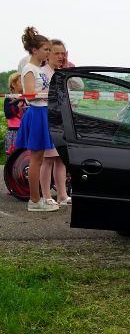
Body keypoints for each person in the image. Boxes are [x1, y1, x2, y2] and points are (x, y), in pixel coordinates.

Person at [16, 27, 58, 212]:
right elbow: (30, 95)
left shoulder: (39, 69)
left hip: (44, 112)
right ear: (35, 50)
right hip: (37, 113)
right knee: (36, 159)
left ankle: (37, 198)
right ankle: (34, 200)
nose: (48, 52)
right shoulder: (29, 68)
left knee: (39, 158)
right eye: (46, 49)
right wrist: (50, 93)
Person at [39, 39, 81, 206]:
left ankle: (62, 195)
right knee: (47, 159)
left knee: (60, 159)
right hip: (48, 118)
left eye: (63, 53)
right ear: (48, 54)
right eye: (57, 53)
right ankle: (47, 195)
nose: (60, 56)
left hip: (62, 119)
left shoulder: (63, 71)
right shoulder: (42, 72)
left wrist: (69, 68)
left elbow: (79, 85)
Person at [4, 73, 25, 155]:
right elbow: (8, 115)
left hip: (25, 130)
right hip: (14, 131)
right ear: (13, 84)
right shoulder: (9, 99)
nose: (23, 84)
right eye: (21, 81)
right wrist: (18, 107)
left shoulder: (26, 97)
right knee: (13, 157)